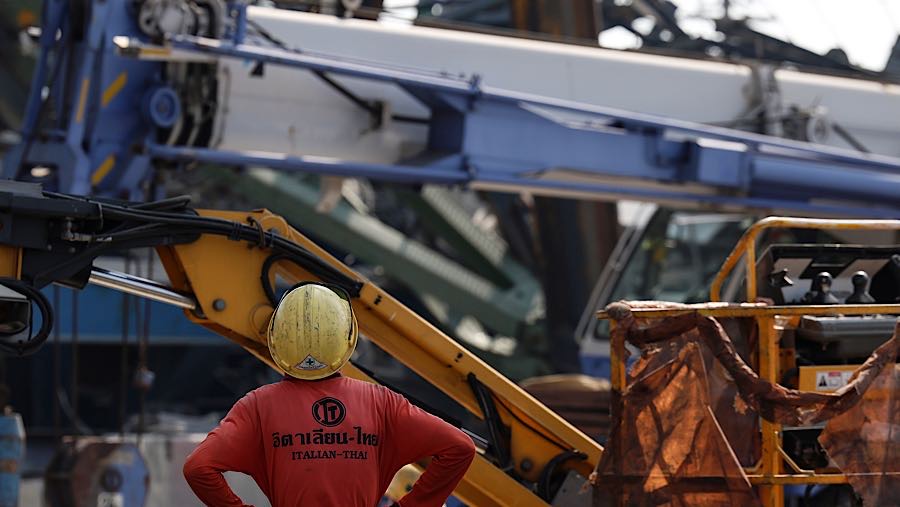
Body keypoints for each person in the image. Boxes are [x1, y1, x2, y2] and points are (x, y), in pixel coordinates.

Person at [183, 282, 476, 506]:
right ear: (347, 337)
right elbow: (460, 447)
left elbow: (198, 468)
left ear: (276, 337)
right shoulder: (381, 403)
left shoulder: (258, 407)